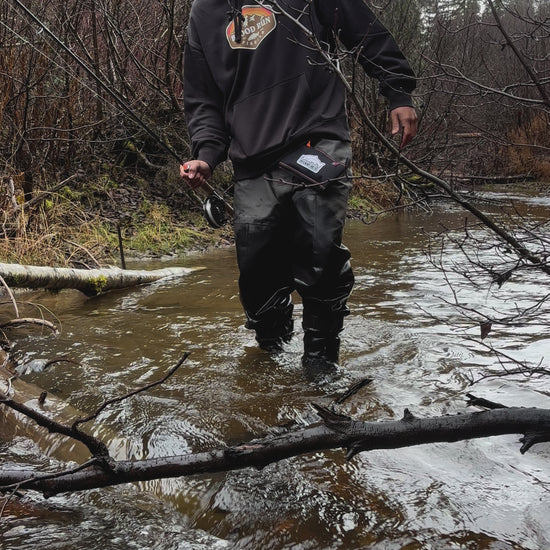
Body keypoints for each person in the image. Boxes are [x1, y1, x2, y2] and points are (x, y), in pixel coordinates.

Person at [180, 0, 417, 376]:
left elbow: (361, 26)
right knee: (257, 275)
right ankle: (271, 364)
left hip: (317, 137)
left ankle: (321, 369)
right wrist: (206, 155)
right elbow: (202, 98)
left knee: (319, 252)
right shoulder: (204, 13)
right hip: (252, 158)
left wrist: (398, 91)